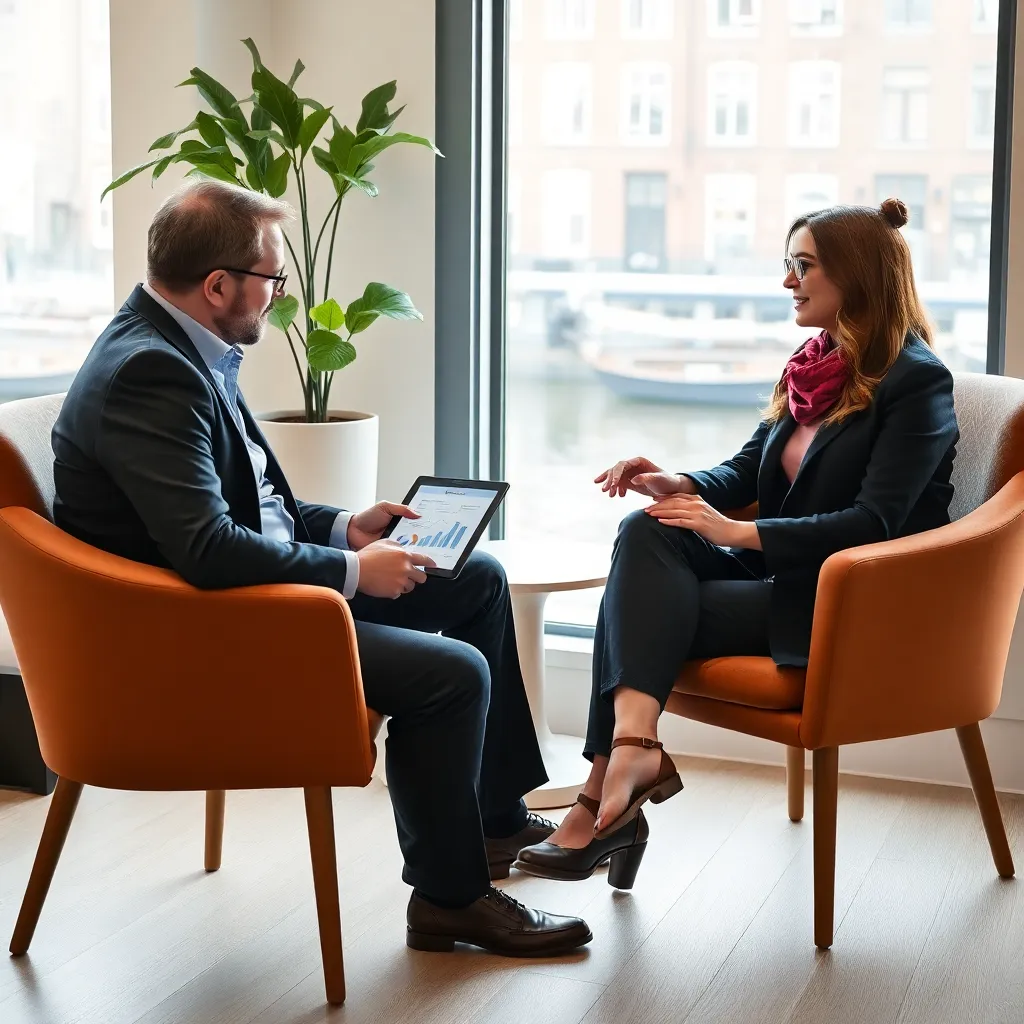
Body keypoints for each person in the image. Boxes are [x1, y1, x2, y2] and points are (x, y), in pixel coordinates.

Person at [51, 179, 591, 957]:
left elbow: (249, 508)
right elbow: (208, 549)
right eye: (273, 278)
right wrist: (351, 573)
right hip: (208, 631)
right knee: (453, 675)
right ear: (219, 285)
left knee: (474, 580)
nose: (278, 296)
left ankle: (493, 820)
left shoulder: (182, 345)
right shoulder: (151, 374)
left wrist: (346, 527)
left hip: (245, 598)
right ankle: (449, 898)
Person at [515, 198, 959, 884]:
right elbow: (748, 470)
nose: (787, 281)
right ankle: (633, 751)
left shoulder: (917, 381)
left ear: (857, 274)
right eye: (789, 264)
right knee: (646, 527)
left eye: (802, 265)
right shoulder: (813, 364)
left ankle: (601, 789)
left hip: (851, 600)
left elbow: (877, 522)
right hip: (781, 579)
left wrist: (738, 532)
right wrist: (677, 480)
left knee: (637, 608)